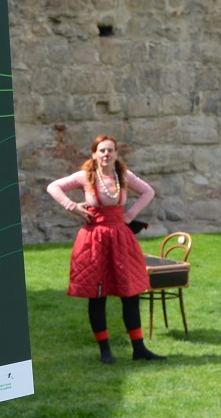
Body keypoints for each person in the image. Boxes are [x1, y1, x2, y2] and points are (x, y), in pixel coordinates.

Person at [46, 135, 163, 363]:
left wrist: (129, 215)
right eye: (102, 150)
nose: (106, 154)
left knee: (130, 294)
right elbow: (54, 187)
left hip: (121, 238)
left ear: (116, 154)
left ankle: (139, 349)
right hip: (94, 240)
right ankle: (105, 352)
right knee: (97, 295)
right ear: (94, 154)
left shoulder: (123, 176)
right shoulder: (85, 176)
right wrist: (73, 207)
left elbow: (148, 191)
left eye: (110, 150)